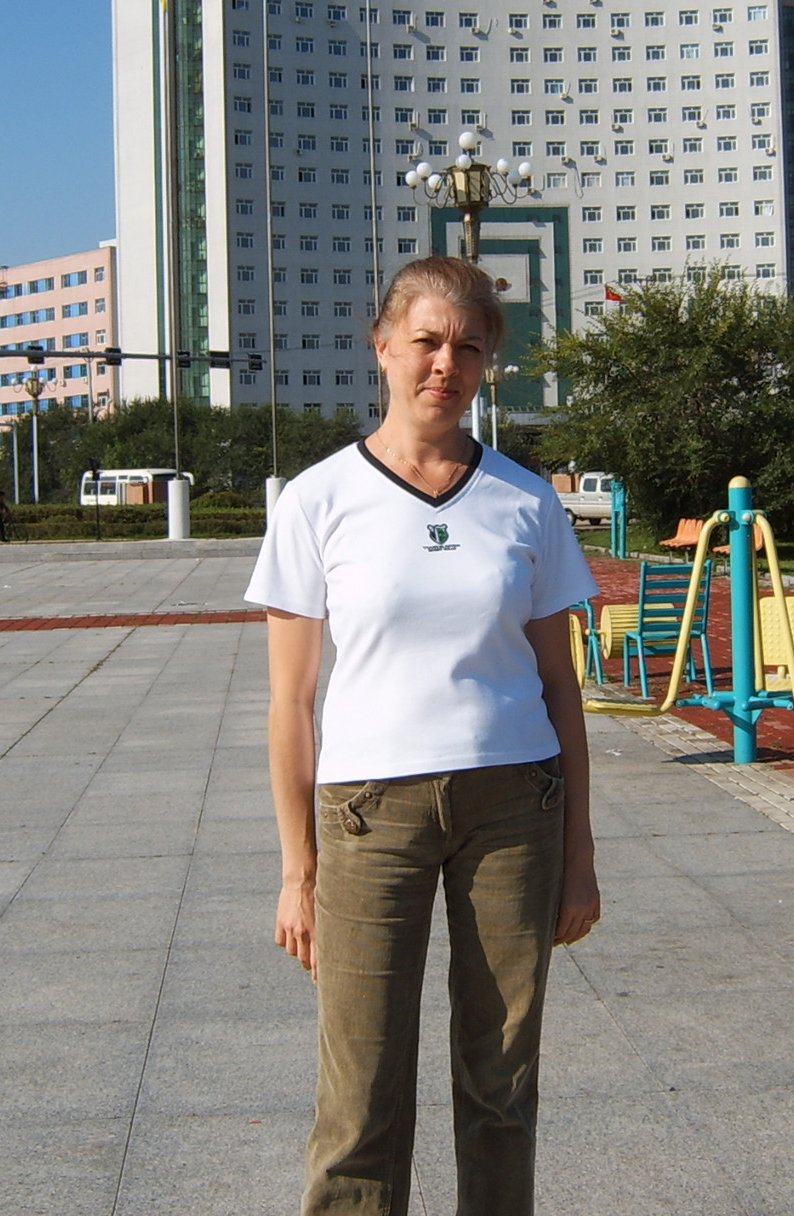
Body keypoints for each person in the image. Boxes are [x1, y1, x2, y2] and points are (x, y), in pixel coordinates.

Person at [247, 256, 601, 1216]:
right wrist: (297, 870)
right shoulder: (317, 500)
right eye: (427, 342)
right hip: (370, 814)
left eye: (469, 347)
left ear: (488, 363)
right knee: (359, 1096)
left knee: (501, 1087)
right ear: (383, 347)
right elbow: (290, 703)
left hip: (513, 805)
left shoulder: (525, 501)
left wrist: (578, 856)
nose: (446, 364)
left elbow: (560, 688)